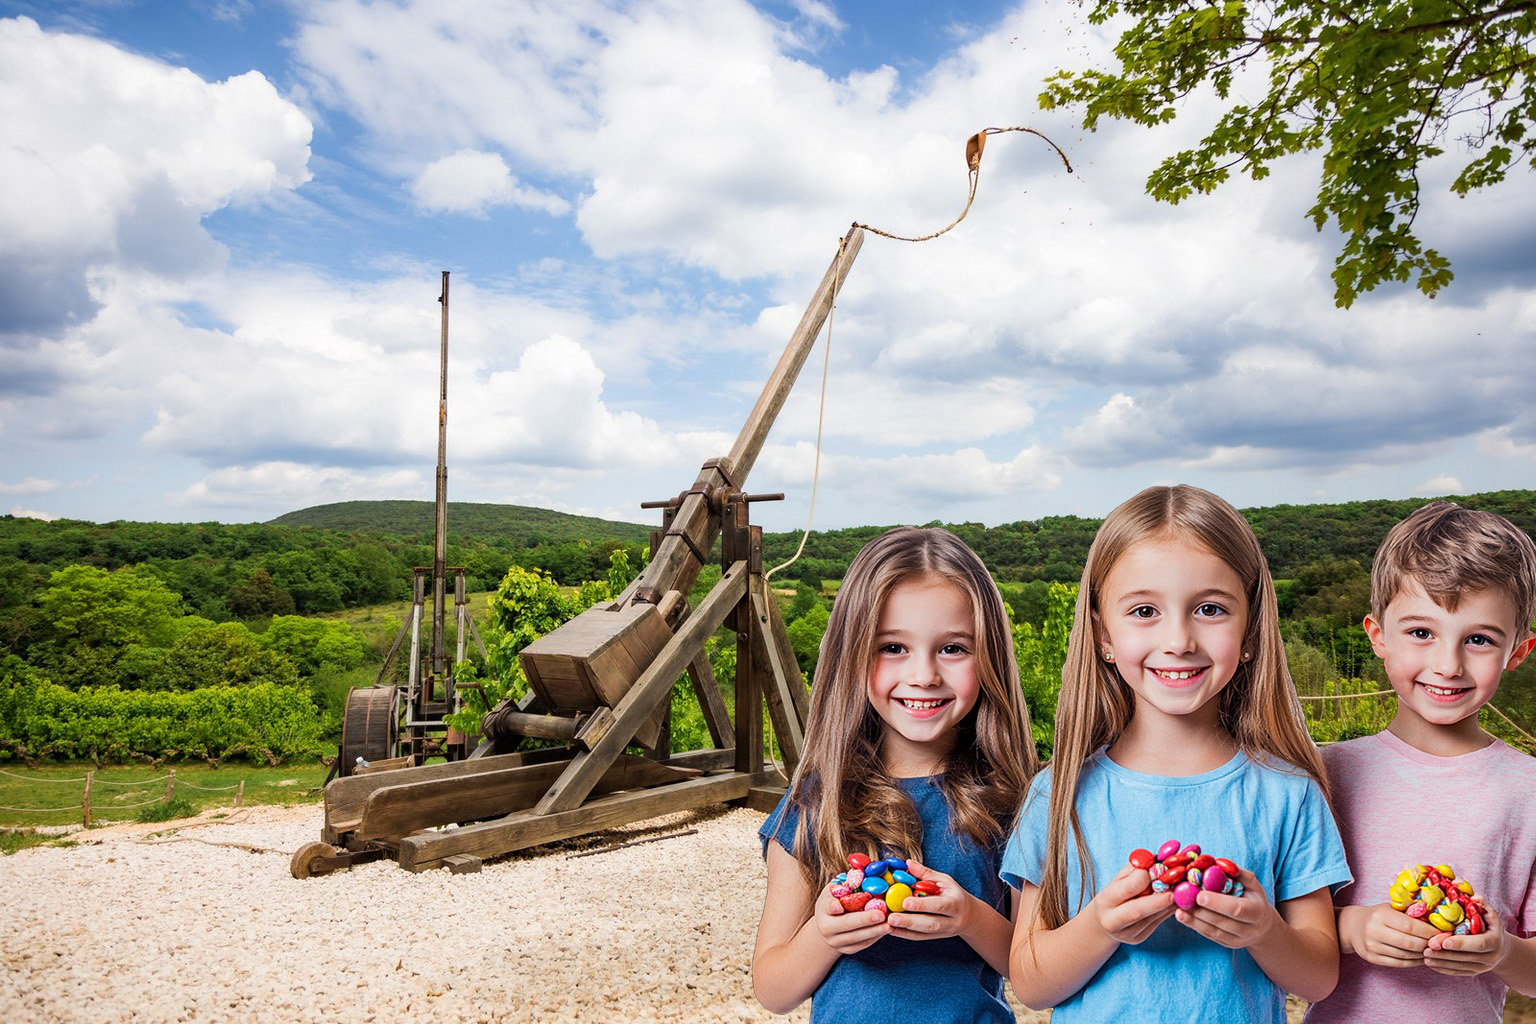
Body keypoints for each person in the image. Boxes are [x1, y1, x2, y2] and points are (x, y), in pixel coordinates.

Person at [1003, 484, 1350, 1023]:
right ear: (1103, 635)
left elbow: (1319, 977)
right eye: (1144, 610)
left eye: (1209, 609)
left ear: (1251, 628)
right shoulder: (1058, 793)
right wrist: (1100, 926)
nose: (1179, 639)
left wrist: (1265, 931)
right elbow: (1030, 982)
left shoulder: (1289, 793)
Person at [752, 526, 1036, 1022]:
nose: (924, 675)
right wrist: (824, 933)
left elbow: (1034, 974)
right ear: (852, 655)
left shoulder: (1015, 801)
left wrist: (968, 917)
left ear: (989, 656)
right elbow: (773, 989)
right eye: (892, 647)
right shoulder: (815, 806)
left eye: (953, 648)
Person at [1305, 501, 1536, 1023]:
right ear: (1377, 635)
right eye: (1421, 632)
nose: (1447, 664)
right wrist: (1353, 928)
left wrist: (1502, 951)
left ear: (1517, 653)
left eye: (1478, 639)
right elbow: (1282, 925)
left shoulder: (1528, 791)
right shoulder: (1322, 775)